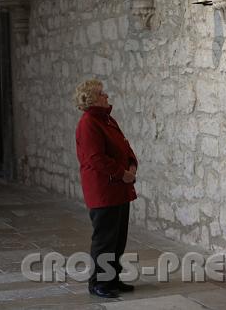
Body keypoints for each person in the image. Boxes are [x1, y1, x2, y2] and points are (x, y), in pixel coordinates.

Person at [74, 78, 138, 299]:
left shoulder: (107, 119)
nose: (106, 96)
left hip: (119, 187)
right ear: (91, 99)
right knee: (105, 239)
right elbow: (95, 159)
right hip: (104, 189)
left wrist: (131, 163)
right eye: (102, 94)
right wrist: (123, 173)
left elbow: (124, 144)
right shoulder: (88, 123)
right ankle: (99, 283)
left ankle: (112, 278)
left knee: (118, 237)